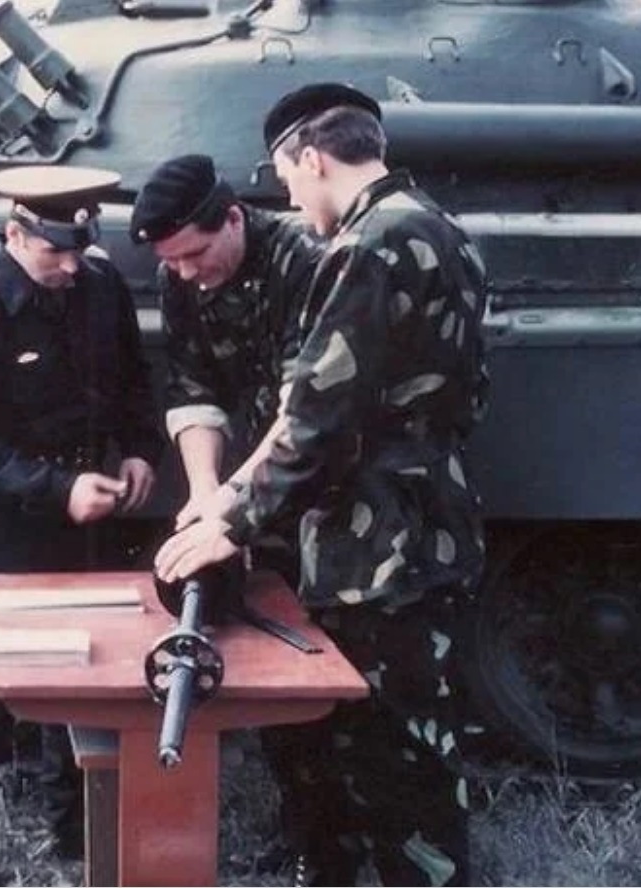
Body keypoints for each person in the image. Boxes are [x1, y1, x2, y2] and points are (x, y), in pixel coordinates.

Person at [152, 83, 492, 886]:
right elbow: (467, 395)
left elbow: (315, 419)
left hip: (378, 540)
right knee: (408, 739)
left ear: (311, 159)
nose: (293, 202)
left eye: (288, 180)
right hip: (425, 515)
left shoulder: (366, 247)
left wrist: (227, 520)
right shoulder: (440, 227)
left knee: (392, 746)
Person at [0, 165, 164, 887]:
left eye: (79, 247)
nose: (70, 265)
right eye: (56, 250)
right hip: (8, 522)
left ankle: (78, 828)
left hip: (90, 509)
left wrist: (141, 449)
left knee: (87, 670)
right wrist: (59, 490)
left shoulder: (98, 283)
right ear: (15, 234)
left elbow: (131, 380)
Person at [128, 153, 322, 583]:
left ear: (233, 219)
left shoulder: (303, 259)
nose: (185, 272)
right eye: (171, 260)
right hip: (264, 483)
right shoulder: (178, 277)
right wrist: (205, 491)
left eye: (196, 252)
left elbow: (306, 408)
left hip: (324, 480)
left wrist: (233, 495)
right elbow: (193, 388)